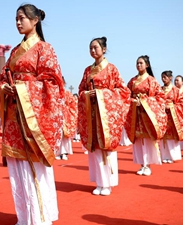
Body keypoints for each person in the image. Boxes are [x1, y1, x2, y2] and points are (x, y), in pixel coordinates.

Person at [0, 4, 64, 225]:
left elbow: (53, 83)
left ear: (35, 20)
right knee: (18, 170)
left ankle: (40, 218)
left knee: (33, 167)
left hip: (33, 117)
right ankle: (24, 217)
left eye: (22, 18)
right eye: (16, 18)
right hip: (14, 114)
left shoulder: (45, 49)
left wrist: (22, 89)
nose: (18, 22)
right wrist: (5, 88)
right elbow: (4, 76)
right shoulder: (15, 52)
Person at [78, 36, 130, 196]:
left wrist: (101, 94)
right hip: (92, 113)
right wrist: (87, 94)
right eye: (90, 48)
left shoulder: (112, 69)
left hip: (106, 116)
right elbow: (80, 90)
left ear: (104, 49)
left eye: (96, 47)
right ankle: (99, 182)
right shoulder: (87, 70)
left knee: (106, 147)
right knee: (95, 148)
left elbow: (123, 91)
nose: (93, 50)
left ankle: (108, 183)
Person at [125, 55, 167, 176]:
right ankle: (141, 164)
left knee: (147, 139)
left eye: (141, 63)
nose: (138, 65)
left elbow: (159, 97)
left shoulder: (151, 80)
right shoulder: (132, 81)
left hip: (147, 114)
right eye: (137, 63)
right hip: (135, 114)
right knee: (138, 139)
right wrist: (133, 101)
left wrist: (143, 102)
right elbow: (126, 94)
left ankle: (148, 165)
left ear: (147, 65)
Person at [159, 71, 183, 163]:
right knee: (163, 136)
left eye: (165, 77)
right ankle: (164, 156)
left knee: (172, 136)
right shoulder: (160, 89)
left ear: (170, 78)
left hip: (173, 115)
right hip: (162, 115)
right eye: (162, 77)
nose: (163, 79)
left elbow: (182, 104)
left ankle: (172, 156)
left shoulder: (176, 90)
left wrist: (171, 107)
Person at [55, 77, 78, 160]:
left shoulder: (68, 94)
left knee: (64, 135)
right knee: (57, 135)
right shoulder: (53, 93)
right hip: (56, 115)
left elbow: (73, 105)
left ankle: (64, 152)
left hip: (65, 116)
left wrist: (67, 109)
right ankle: (57, 152)